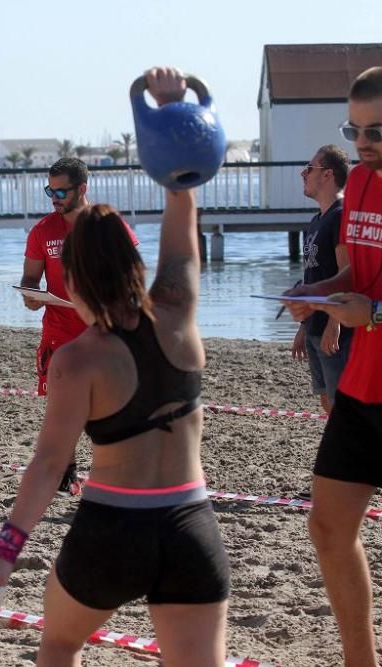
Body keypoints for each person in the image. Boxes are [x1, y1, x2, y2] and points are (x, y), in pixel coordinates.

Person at [0, 68, 229, 667]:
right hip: (191, 524)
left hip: (114, 528)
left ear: (79, 276)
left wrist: (5, 549)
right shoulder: (180, 314)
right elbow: (181, 215)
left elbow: (48, 464)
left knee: (60, 643)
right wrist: (173, 113)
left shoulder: (78, 358)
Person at [283, 65, 382, 667]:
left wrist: (371, 312)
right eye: (354, 131)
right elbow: (358, 275)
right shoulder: (365, 186)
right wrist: (317, 298)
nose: (362, 144)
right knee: (327, 527)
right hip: (364, 385)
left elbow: (371, 301)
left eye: (376, 131)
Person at [20, 157, 138, 496]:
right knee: (62, 407)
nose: (54, 197)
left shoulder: (106, 224)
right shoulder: (43, 230)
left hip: (102, 332)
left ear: (82, 189)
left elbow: (132, 275)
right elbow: (30, 277)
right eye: (49, 190)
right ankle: (66, 473)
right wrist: (32, 296)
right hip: (59, 330)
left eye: (60, 191)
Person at [291, 145, 352, 414]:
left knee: (342, 404)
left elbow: (346, 273)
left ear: (327, 175)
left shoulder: (341, 215)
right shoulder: (316, 220)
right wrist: (304, 325)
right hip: (315, 325)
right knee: (326, 399)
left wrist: (334, 323)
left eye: (310, 168)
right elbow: (312, 274)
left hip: (335, 328)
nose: (303, 173)